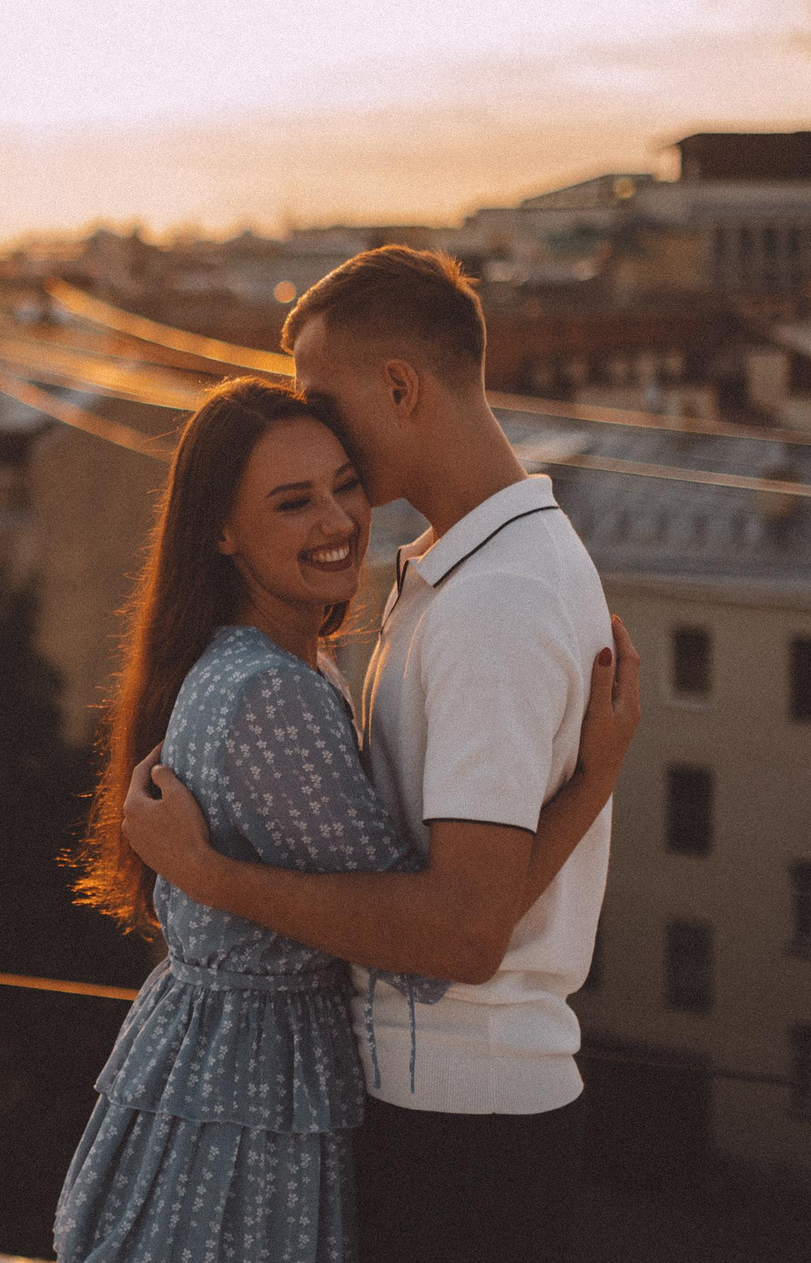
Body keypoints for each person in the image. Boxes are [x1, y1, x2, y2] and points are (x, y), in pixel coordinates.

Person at [58, 375, 637, 1263]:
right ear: (221, 531)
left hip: (221, 1073)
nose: (337, 521)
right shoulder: (271, 694)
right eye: (293, 503)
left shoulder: (270, 665)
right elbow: (434, 950)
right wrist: (594, 779)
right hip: (253, 1100)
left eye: (345, 485)